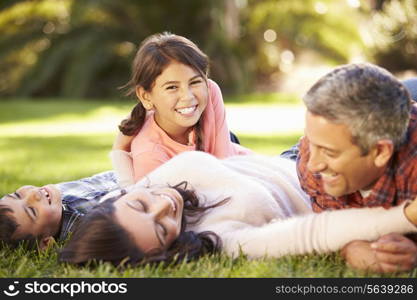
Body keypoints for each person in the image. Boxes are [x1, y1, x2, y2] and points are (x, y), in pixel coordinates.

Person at [59, 151, 417, 268]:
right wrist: (403, 217)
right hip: (337, 180)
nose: (163, 206)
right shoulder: (220, 238)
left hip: (301, 151)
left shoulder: (139, 188)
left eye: (140, 204)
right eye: (162, 228)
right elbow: (314, 232)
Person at [296, 63, 417, 273]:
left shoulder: (411, 169)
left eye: (329, 152)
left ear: (380, 152)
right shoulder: (311, 163)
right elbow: (331, 225)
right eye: (311, 142)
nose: (313, 164)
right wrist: (348, 247)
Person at [111, 32, 251, 187]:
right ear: (146, 96)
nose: (187, 97)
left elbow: (226, 163)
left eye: (195, 82)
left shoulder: (210, 90)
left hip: (228, 155)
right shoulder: (149, 153)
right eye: (172, 87)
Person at [0, 171, 119, 249]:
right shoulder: (89, 228)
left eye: (16, 195)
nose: (32, 193)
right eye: (32, 211)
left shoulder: (54, 197)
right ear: (47, 243)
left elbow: (100, 179)